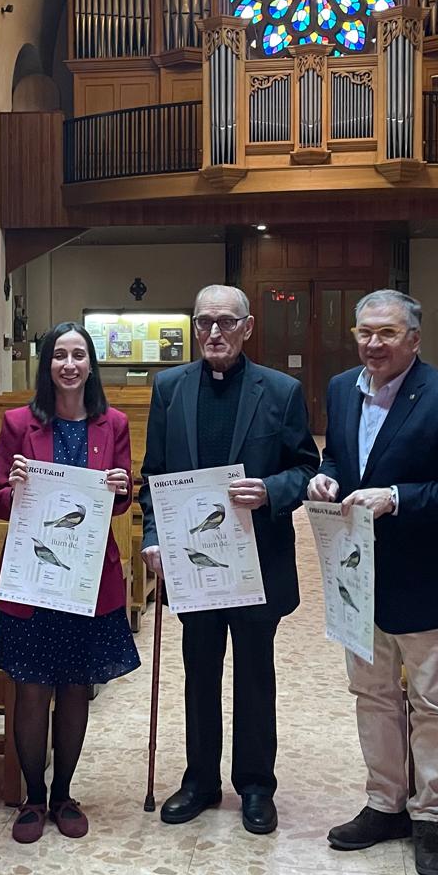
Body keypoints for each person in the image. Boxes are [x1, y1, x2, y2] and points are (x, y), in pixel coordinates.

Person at [309, 290, 438, 875]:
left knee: (434, 703)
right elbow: (338, 458)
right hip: (357, 576)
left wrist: (398, 498)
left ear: (414, 338)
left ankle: (430, 816)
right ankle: (385, 804)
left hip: (423, 576)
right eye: (365, 332)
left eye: (387, 333)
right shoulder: (341, 388)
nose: (373, 344)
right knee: (373, 694)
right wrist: (326, 481)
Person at [140, 284, 318, 835]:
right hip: (195, 562)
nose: (213, 333)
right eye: (203, 323)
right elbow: (153, 475)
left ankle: (257, 785)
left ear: (248, 327)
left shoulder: (281, 391)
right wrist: (152, 536)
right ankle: (199, 780)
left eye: (225, 322)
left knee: (256, 675)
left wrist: (270, 490)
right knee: (199, 671)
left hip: (257, 559)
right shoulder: (169, 388)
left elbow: (308, 469)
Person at [0, 323, 138, 841]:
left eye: (78, 355)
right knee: (31, 690)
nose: (69, 364)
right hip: (33, 574)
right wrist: (18, 486)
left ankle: (64, 793)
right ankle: (32, 797)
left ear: (91, 364)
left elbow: (119, 499)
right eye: (59, 355)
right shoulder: (17, 423)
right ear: (46, 364)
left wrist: (121, 488)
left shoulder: (113, 424)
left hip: (89, 576)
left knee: (75, 687)